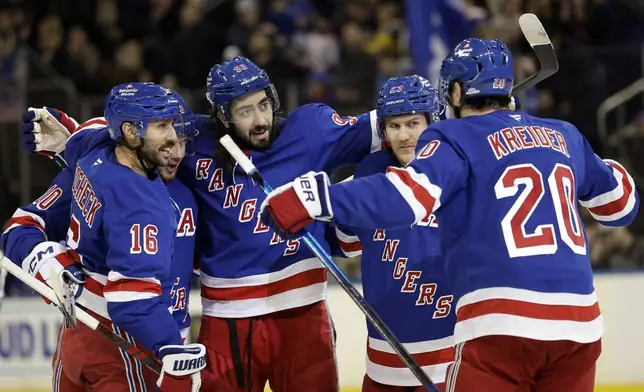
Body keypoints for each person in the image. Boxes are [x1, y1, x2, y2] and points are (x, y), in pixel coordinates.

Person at [259, 39, 640, 392]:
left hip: (502, 324)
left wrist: (313, 196)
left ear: (455, 93)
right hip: (581, 328)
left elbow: (403, 199)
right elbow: (620, 207)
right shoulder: (565, 135)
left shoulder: (452, 139)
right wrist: (591, 162)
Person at [22, 57, 382, 391]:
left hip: (305, 314)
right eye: (244, 111)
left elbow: (390, 130)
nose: (259, 120)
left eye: (263, 104)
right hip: (227, 320)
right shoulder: (191, 142)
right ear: (222, 117)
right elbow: (122, 138)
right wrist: (69, 141)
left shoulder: (312, 130)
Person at [11, 83, 205, 391]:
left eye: (177, 133)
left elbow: (80, 137)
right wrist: (172, 350)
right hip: (125, 342)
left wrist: (46, 259)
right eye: (162, 127)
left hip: (77, 330)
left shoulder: (94, 146)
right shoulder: (144, 203)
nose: (172, 141)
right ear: (129, 130)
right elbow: (131, 300)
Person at [333, 75, 455, 392]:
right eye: (395, 126)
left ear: (433, 121)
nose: (404, 136)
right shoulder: (371, 171)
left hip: (450, 359)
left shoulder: (458, 172)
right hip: (382, 363)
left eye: (413, 123)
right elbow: (346, 242)